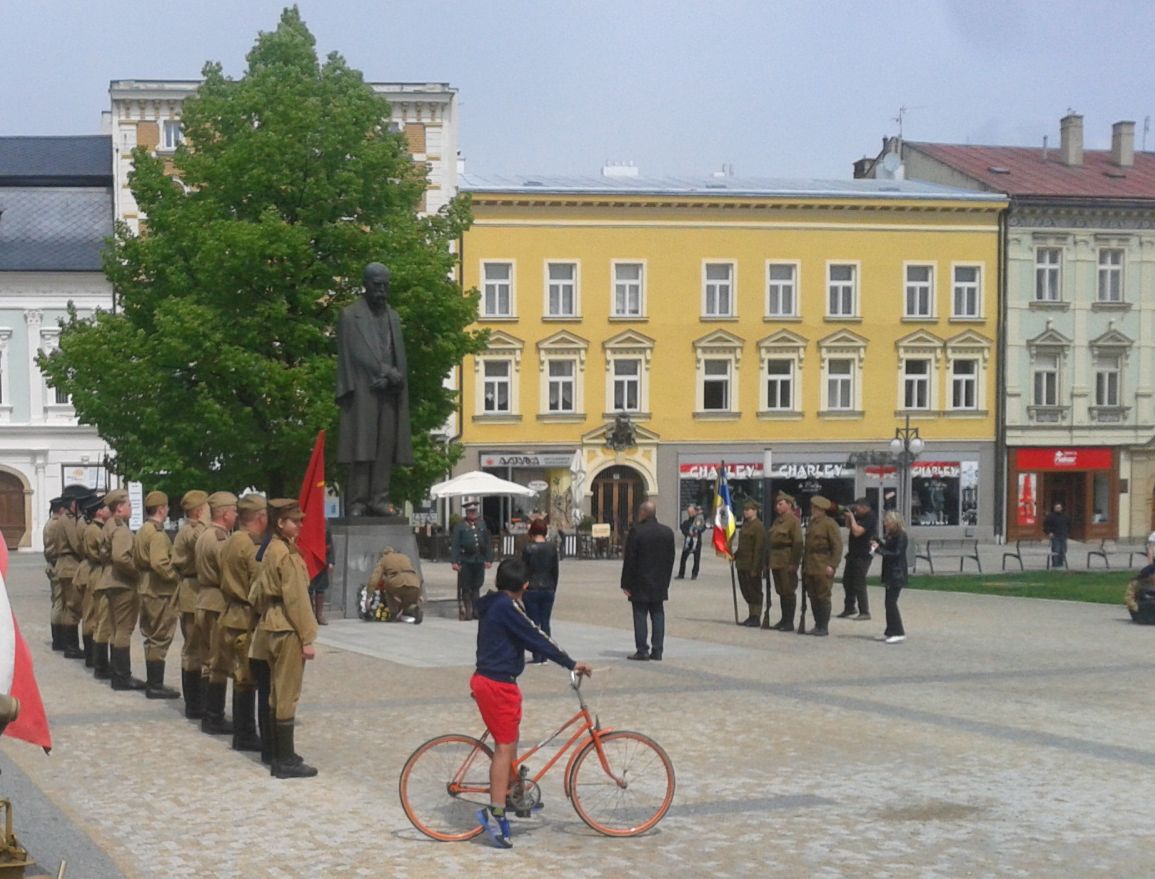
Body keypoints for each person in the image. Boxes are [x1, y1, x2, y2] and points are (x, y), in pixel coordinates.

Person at [471, 557, 592, 848]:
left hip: (498, 682)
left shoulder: (496, 603)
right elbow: (537, 638)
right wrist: (570, 663)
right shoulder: (507, 608)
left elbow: (527, 638)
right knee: (503, 748)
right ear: (524, 585)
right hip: (497, 684)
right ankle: (496, 812)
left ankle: (515, 791)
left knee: (511, 740)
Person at [335, 262, 414, 516]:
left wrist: (393, 379)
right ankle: (357, 501)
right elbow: (356, 352)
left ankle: (379, 499)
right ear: (365, 285)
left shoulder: (393, 316)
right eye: (377, 285)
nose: (382, 290)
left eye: (385, 285)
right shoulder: (350, 315)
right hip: (363, 390)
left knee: (384, 448)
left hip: (388, 393)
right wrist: (388, 372)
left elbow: (397, 354)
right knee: (362, 448)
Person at [251, 499, 319, 779]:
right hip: (288, 627)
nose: (300, 525)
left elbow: (255, 592)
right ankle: (286, 760)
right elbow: (297, 599)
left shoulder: (270, 549)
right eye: (295, 521)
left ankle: (275, 753)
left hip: (270, 624)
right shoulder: (287, 555)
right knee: (287, 693)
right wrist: (307, 636)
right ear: (280, 523)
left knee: (275, 692)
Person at [217, 494, 268, 753]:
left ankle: (242, 731)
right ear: (260, 517)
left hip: (231, 612)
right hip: (246, 617)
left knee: (240, 676)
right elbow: (258, 586)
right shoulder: (249, 546)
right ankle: (246, 734)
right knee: (246, 678)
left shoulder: (230, 541)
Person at [195, 491, 238, 735]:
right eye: (234, 512)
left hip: (203, 599)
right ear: (224, 513)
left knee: (206, 660)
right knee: (218, 662)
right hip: (216, 601)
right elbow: (228, 571)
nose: (236, 516)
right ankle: (214, 716)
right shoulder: (219, 538)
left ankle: (207, 712)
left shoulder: (204, 535)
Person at [133, 490, 181, 699]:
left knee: (151, 635)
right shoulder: (158, 534)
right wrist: (176, 578)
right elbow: (160, 563)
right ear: (161, 509)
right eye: (167, 507)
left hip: (145, 586)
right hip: (159, 589)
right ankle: (155, 684)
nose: (168, 510)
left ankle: (153, 682)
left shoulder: (144, 529)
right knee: (160, 636)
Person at [100, 489, 146, 690]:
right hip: (122, 582)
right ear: (119, 508)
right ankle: (122, 676)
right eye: (129, 505)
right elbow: (121, 557)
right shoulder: (120, 529)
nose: (131, 508)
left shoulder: (110, 525)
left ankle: (117, 673)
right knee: (123, 629)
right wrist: (137, 573)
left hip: (110, 580)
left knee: (116, 628)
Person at [620, 500, 676, 660]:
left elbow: (630, 558)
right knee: (658, 614)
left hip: (640, 581)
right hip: (660, 581)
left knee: (640, 614)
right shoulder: (667, 532)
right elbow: (670, 558)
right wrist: (666, 579)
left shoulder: (637, 531)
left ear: (643, 513)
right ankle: (658, 650)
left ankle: (642, 650)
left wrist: (625, 583)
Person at [171, 489, 210, 718]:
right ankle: (196, 704)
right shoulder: (193, 531)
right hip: (192, 591)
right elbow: (205, 546)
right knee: (195, 649)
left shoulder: (189, 529)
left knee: (196, 648)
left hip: (193, 590)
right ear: (198, 510)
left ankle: (196, 703)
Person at [801, 496, 843, 637]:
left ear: (822, 510)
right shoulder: (812, 523)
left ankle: (823, 626)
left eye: (815, 508)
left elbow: (837, 546)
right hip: (811, 565)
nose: (813, 510)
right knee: (813, 596)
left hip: (823, 564)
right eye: (812, 508)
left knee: (823, 596)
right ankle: (817, 624)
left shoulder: (830, 524)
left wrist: (832, 565)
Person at [520, 519, 560, 663]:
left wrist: (522, 586)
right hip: (548, 588)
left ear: (532, 531)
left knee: (533, 623)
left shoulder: (528, 548)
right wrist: (553, 587)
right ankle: (546, 653)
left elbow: (523, 569)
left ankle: (537, 654)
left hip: (531, 588)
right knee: (545, 622)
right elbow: (555, 571)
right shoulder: (551, 548)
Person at [766, 491, 803, 631]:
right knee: (781, 590)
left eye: (781, 504)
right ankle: (783, 619)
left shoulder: (793, 521)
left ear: (788, 505)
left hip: (787, 559)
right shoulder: (777, 520)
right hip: (776, 559)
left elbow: (798, 543)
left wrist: (794, 562)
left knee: (788, 590)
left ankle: (789, 621)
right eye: (777, 504)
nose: (777, 507)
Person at [451, 501, 492, 621]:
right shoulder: (460, 526)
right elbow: (455, 544)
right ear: (467, 512)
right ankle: (467, 610)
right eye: (470, 511)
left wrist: (488, 559)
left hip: (479, 560)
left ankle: (476, 610)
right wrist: (455, 561)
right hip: (466, 560)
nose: (473, 513)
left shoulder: (482, 524)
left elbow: (487, 542)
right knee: (466, 586)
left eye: (474, 511)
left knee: (477, 585)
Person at [872, 511, 909, 643]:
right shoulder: (891, 535)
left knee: (891, 603)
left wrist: (879, 550)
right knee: (888, 603)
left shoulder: (901, 536)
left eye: (888, 521)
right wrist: (878, 543)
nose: (885, 523)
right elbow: (887, 548)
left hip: (897, 573)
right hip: (890, 573)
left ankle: (899, 631)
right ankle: (890, 631)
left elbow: (896, 553)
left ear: (895, 522)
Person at [837, 498, 876, 621]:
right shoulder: (858, 515)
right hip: (853, 553)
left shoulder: (870, 517)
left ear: (865, 507)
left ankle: (864, 611)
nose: (856, 510)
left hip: (863, 554)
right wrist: (849, 517)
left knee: (859, 583)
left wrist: (853, 518)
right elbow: (850, 527)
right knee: (847, 581)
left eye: (858, 507)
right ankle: (850, 607)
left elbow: (857, 532)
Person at [367, 546, 424, 622]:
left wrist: (369, 595)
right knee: (408, 600)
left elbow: (375, 578)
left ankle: (393, 614)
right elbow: (418, 575)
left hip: (396, 583)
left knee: (387, 589)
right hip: (414, 582)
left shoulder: (384, 560)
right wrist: (420, 593)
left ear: (384, 554)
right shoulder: (405, 557)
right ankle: (414, 609)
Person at [733, 499, 767, 627]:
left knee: (754, 591)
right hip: (742, 563)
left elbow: (759, 548)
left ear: (755, 511)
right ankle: (751, 615)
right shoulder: (746, 525)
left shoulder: (758, 527)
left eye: (748, 510)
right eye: (745, 510)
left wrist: (756, 567)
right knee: (746, 590)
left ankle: (756, 616)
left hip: (752, 564)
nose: (745, 512)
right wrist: (735, 555)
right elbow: (743, 545)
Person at [307, 526, 333, 626]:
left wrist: (331, 561)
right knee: (309, 589)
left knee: (320, 589)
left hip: (322, 561)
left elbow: (330, 546)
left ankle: (319, 615)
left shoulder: (326, 527)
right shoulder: (308, 525)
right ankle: (310, 616)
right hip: (310, 562)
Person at [676, 504, 706, 580]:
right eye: (688, 512)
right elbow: (683, 529)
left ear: (695, 512)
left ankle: (694, 574)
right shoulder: (687, 522)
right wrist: (688, 533)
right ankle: (681, 574)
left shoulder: (699, 520)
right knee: (683, 558)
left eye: (691, 512)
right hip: (688, 542)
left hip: (697, 542)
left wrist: (697, 531)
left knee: (696, 559)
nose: (689, 513)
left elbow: (703, 528)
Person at [1043, 502, 1070, 569]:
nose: (1058, 509)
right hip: (1055, 535)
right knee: (1056, 549)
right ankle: (1055, 563)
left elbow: (1069, 525)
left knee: (1063, 549)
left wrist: (1067, 532)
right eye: (1057, 508)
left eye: (1059, 507)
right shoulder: (1050, 516)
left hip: (1063, 535)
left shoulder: (1065, 516)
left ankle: (1061, 562)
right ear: (1054, 508)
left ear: (1061, 508)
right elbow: (1046, 526)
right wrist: (1049, 532)